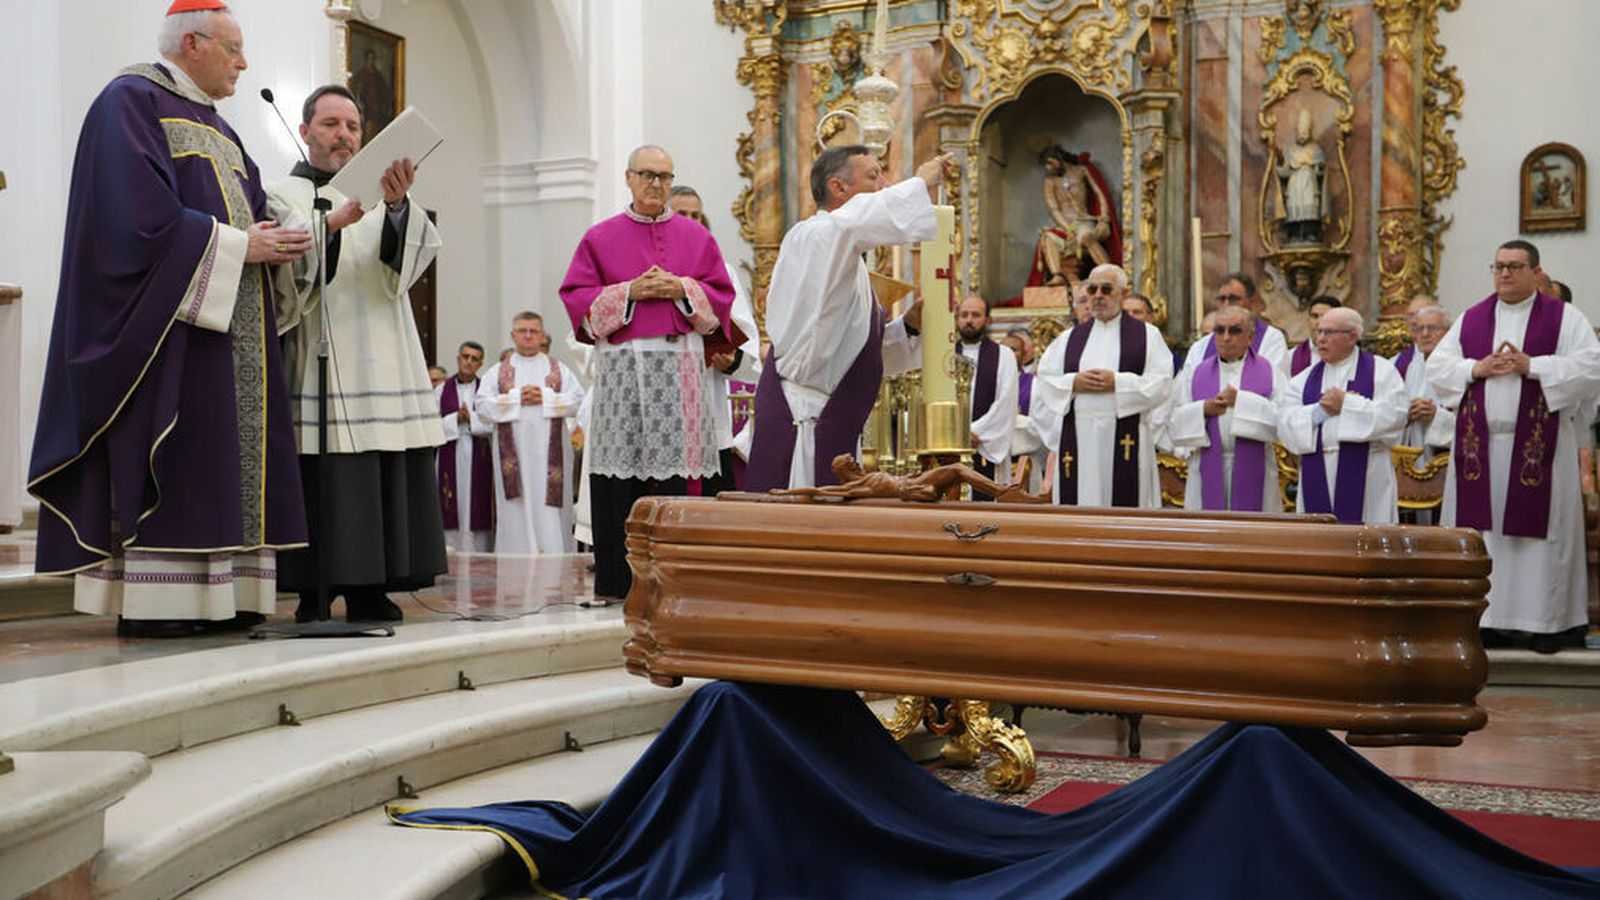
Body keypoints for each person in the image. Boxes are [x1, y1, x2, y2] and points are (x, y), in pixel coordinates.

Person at [28, 0, 310, 637]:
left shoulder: (223, 129)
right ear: (192, 44)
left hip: (235, 328)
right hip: (171, 334)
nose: (244, 63)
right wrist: (237, 246)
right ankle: (163, 605)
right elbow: (132, 221)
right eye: (233, 49)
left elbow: (253, 211)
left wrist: (286, 239)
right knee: (183, 455)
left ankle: (229, 596)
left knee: (228, 462)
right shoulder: (129, 102)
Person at [268, 83, 445, 624]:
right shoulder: (281, 194)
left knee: (382, 472)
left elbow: (409, 262)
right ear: (305, 131)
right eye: (330, 125)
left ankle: (373, 589)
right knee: (323, 476)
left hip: (386, 353)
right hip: (320, 355)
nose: (343, 135)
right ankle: (313, 591)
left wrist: (397, 207)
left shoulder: (383, 196)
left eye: (352, 127)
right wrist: (329, 225)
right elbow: (283, 268)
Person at [559, 145, 738, 602]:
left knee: (679, 479)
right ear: (629, 178)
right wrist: (630, 292)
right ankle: (619, 582)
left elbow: (721, 301)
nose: (656, 184)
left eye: (664, 176)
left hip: (681, 371)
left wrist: (681, 287)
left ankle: (680, 580)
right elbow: (577, 300)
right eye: (647, 175)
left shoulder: (697, 238)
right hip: (623, 370)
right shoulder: (600, 237)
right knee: (620, 477)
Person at [1427, 240, 1600, 653]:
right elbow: (1438, 367)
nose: (1505, 273)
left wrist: (1532, 365)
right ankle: (1487, 621)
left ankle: (1546, 623)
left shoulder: (1564, 318)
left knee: (1540, 541)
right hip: (1481, 449)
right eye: (1499, 266)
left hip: (1542, 451)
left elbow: (1590, 366)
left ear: (1535, 272)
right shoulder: (1472, 318)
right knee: (1486, 537)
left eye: (1515, 266)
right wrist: (1476, 367)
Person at [746, 145, 950, 491]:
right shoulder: (814, 236)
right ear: (838, 187)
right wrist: (920, 182)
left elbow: (850, 351)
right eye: (873, 176)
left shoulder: (844, 256)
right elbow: (854, 222)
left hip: (830, 415)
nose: (884, 185)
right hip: (805, 422)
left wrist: (908, 327)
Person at [1032, 264, 1172, 507]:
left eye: (1106, 289)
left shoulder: (1148, 336)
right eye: (1092, 289)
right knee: (1081, 499)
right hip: (1080, 435)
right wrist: (1073, 383)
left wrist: (1117, 382)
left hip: (1126, 434)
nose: (1097, 295)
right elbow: (1045, 380)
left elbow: (1162, 382)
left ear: (1123, 293)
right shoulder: (1069, 338)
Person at [668, 185, 762, 492]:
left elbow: (747, 340)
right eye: (681, 214)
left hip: (708, 402)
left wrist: (732, 360)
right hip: (664, 406)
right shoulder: (648, 274)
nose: (690, 221)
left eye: (696, 215)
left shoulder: (722, 272)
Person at [1277, 307, 1407, 524]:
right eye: (1318, 332)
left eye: (1329, 332)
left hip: (1368, 471)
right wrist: (1321, 411)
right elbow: (1285, 422)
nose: (1320, 339)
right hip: (1318, 468)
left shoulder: (1382, 372)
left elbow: (1395, 417)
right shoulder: (1303, 379)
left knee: (1367, 534)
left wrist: (1347, 404)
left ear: (1352, 337)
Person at [475, 313, 585, 555]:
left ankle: (554, 554)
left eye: (533, 331)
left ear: (542, 336)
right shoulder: (497, 371)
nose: (527, 336)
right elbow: (481, 406)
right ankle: (515, 554)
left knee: (549, 509)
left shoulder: (558, 369)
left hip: (550, 457)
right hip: (514, 456)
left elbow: (578, 401)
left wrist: (545, 397)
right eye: (522, 331)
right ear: (513, 335)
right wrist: (516, 398)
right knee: (516, 506)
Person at [1169, 307, 1287, 512]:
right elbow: (1174, 419)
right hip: (1206, 464)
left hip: (1255, 465)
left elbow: (1284, 418)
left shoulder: (1269, 371)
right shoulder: (1196, 372)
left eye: (1234, 331)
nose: (1226, 337)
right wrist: (1203, 409)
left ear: (1250, 337)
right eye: (1220, 330)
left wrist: (1241, 401)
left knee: (1252, 527)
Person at [955, 296, 1019, 496]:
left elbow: (1006, 403)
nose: (969, 320)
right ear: (957, 319)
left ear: (987, 320)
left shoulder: (1004, 355)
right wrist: (956, 433)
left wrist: (973, 432)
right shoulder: (944, 355)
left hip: (984, 445)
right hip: (950, 445)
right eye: (964, 315)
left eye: (976, 315)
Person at [436, 341, 494, 552]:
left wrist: (471, 419)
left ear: (480, 364)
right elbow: (432, 425)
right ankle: (449, 549)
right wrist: (455, 419)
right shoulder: (441, 390)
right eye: (465, 357)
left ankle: (479, 551)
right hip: (450, 451)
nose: (469, 362)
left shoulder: (486, 390)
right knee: (451, 504)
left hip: (479, 452)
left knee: (476, 504)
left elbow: (494, 422)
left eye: (474, 359)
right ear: (458, 358)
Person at [1033, 146, 1113, 287]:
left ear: (1059, 158)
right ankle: (1057, 276)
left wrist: (1104, 219)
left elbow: (1099, 193)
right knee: (1047, 238)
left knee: (1086, 236)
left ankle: (1109, 274)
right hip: (1065, 227)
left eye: (1050, 163)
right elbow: (1054, 209)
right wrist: (1068, 228)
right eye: (1046, 165)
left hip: (1084, 222)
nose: (1048, 168)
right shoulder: (1050, 181)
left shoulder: (1081, 171)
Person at [1184, 272, 1288, 375]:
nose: (1226, 305)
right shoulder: (1200, 347)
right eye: (1222, 299)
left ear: (1251, 302)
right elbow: (1187, 384)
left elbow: (1275, 380)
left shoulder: (1271, 339)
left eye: (1233, 299)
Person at [1272, 109, 1327, 245]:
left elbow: (1321, 174)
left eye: (1305, 132)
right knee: (1294, 210)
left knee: (1309, 209)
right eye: (1300, 132)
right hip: (1294, 189)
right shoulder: (1290, 152)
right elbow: (1284, 173)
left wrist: (1318, 168)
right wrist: (1280, 162)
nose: (1302, 135)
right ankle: (1295, 234)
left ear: (1310, 132)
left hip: (1309, 187)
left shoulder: (1316, 151)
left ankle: (1310, 233)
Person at [1289, 296, 1340, 376]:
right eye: (1315, 316)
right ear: (1308, 320)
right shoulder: (1290, 357)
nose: (1319, 322)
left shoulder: (1348, 356)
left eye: (1326, 317)